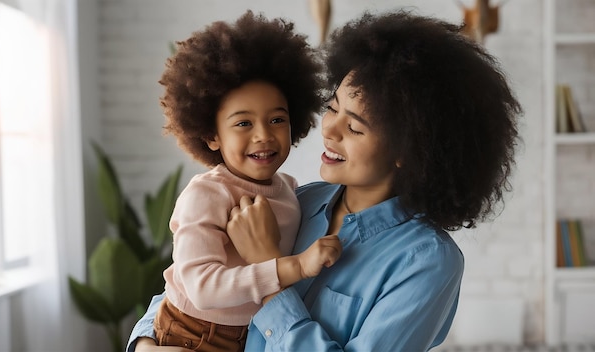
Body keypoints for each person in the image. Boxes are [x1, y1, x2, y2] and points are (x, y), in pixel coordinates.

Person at [128, 9, 521, 352]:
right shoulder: (299, 200)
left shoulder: (428, 262)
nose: (329, 131)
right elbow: (189, 283)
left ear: (408, 150)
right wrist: (146, 343)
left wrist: (270, 267)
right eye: (332, 109)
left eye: (354, 126)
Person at [146, 10, 342, 352]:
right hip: (193, 334)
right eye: (243, 123)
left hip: (256, 336)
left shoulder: (291, 190)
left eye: (277, 119)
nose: (264, 135)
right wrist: (293, 267)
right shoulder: (206, 194)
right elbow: (203, 289)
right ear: (211, 135)